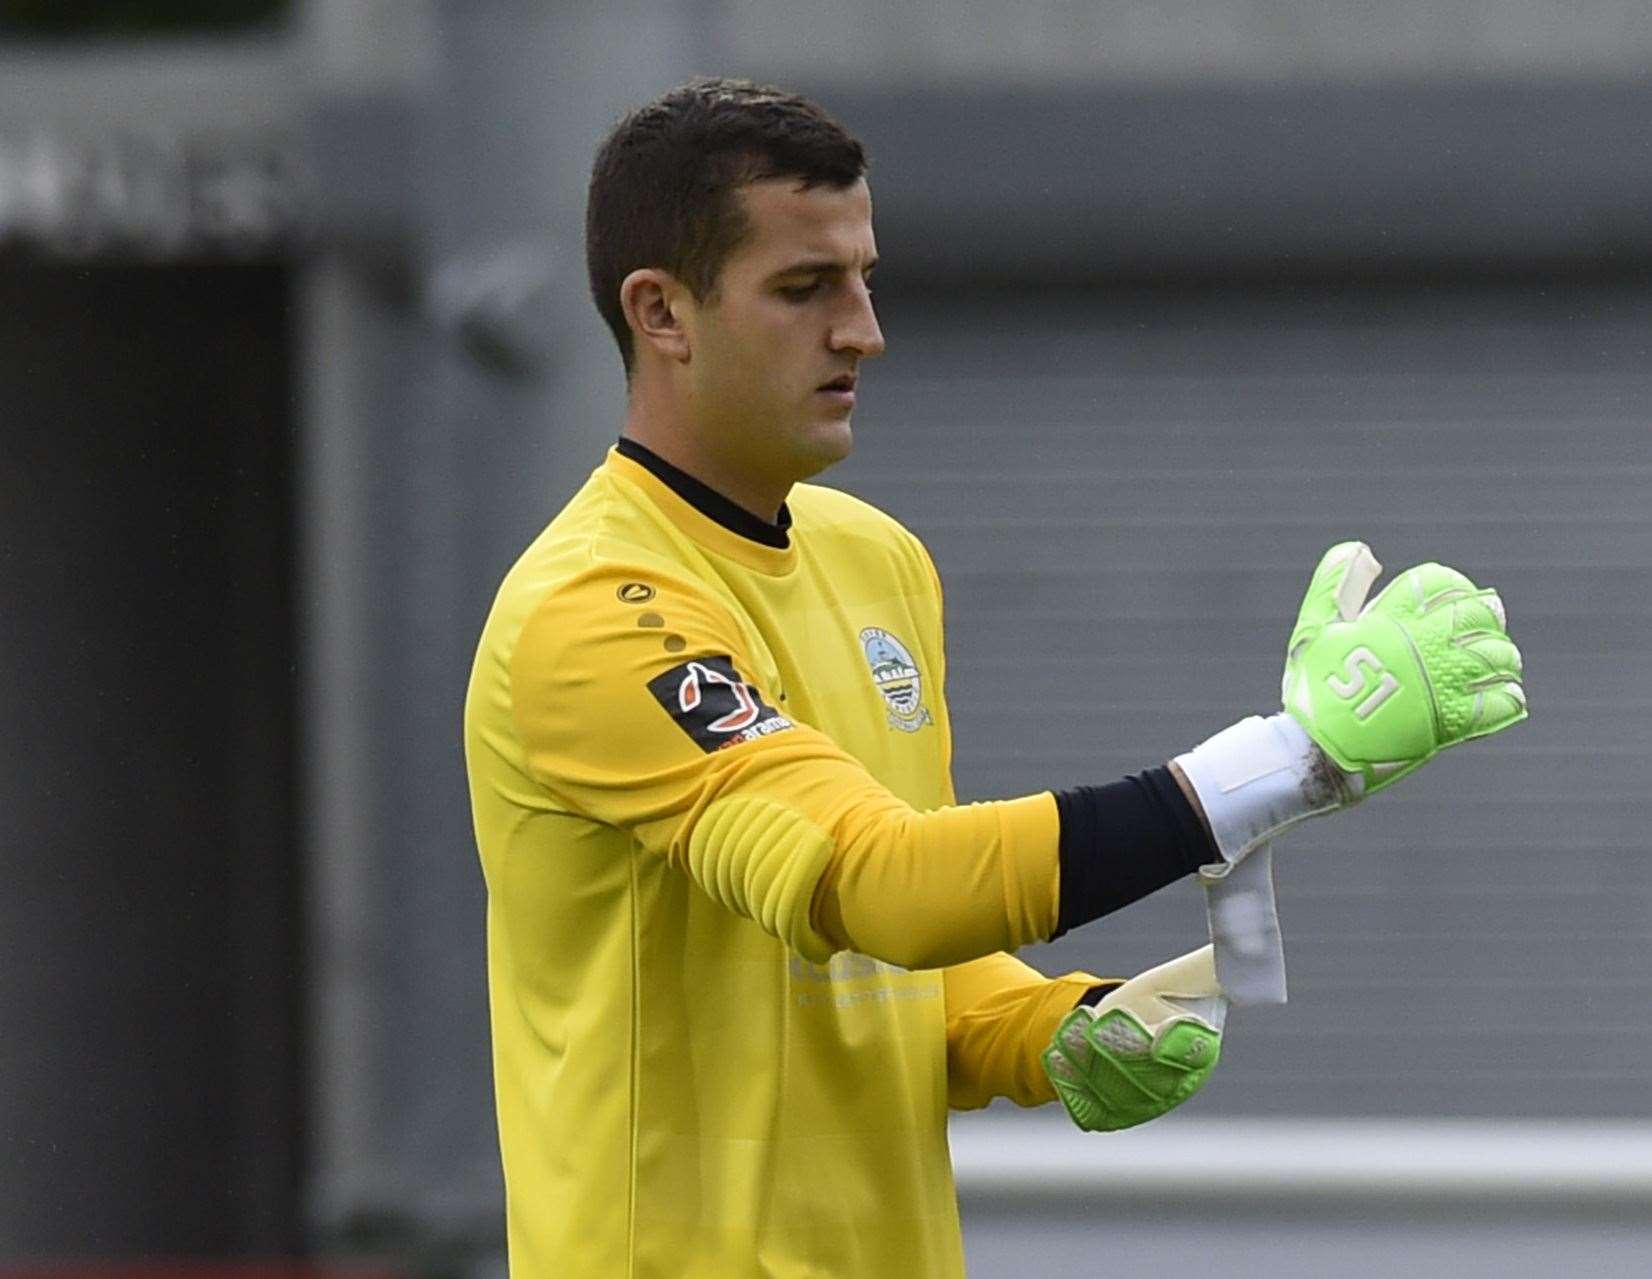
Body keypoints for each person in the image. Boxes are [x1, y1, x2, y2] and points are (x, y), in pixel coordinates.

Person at [463, 77, 1526, 1278]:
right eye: (805, 288)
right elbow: (884, 889)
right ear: (659, 313)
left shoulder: (878, 561)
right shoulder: (594, 611)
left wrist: (1045, 1027)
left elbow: (892, 958)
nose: (862, 329)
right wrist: (1289, 759)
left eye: (864, 279)